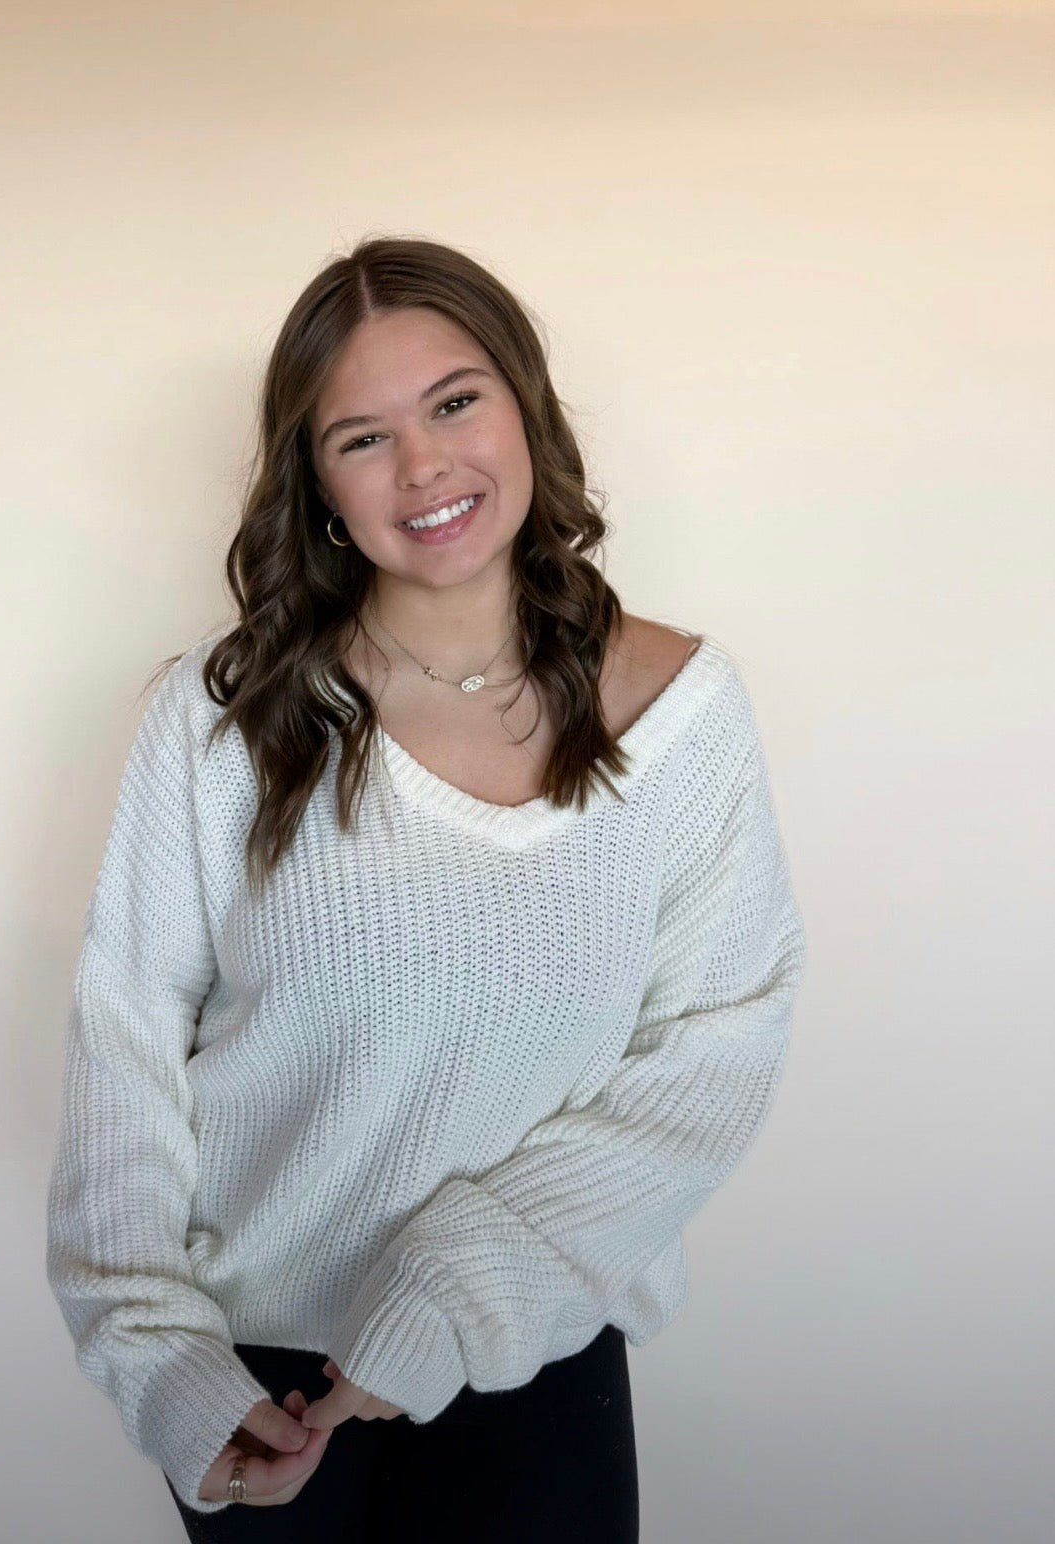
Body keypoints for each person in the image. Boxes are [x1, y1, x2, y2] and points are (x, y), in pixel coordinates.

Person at [44, 235, 808, 1540]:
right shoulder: (227, 718)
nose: (423, 467)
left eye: (454, 402)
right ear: (318, 486)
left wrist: (455, 1297)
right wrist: (164, 1363)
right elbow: (126, 1037)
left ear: (524, 405)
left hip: (535, 1354)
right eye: (360, 435)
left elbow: (713, 1045)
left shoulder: (680, 711)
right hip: (261, 1385)